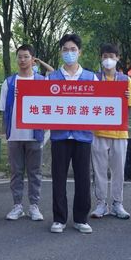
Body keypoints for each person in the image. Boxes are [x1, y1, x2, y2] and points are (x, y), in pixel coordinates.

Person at [47, 33, 97, 234]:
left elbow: (102, 102)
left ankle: (81, 219)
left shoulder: (91, 77)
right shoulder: (51, 78)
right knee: (58, 178)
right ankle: (59, 219)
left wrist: (122, 95)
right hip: (60, 136)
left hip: (83, 136)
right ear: (61, 52)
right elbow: (41, 104)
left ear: (79, 52)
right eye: (66, 49)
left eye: (73, 49)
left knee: (83, 178)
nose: (69, 53)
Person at [0, 44, 47, 221]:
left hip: (35, 135)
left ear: (33, 59)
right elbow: (4, 110)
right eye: (19, 57)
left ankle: (34, 206)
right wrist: (6, 133)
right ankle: (17, 205)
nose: (22, 60)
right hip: (15, 135)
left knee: (35, 172)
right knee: (16, 172)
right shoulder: (9, 82)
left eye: (26, 56)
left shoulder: (42, 81)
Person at [90, 43, 131, 220]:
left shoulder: (125, 80)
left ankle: (117, 203)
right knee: (99, 171)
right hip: (98, 132)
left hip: (119, 133)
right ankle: (101, 203)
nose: (108, 60)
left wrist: (123, 103)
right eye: (105, 56)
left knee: (118, 171)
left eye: (112, 56)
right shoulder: (94, 79)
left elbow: (130, 108)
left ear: (118, 58)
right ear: (101, 58)